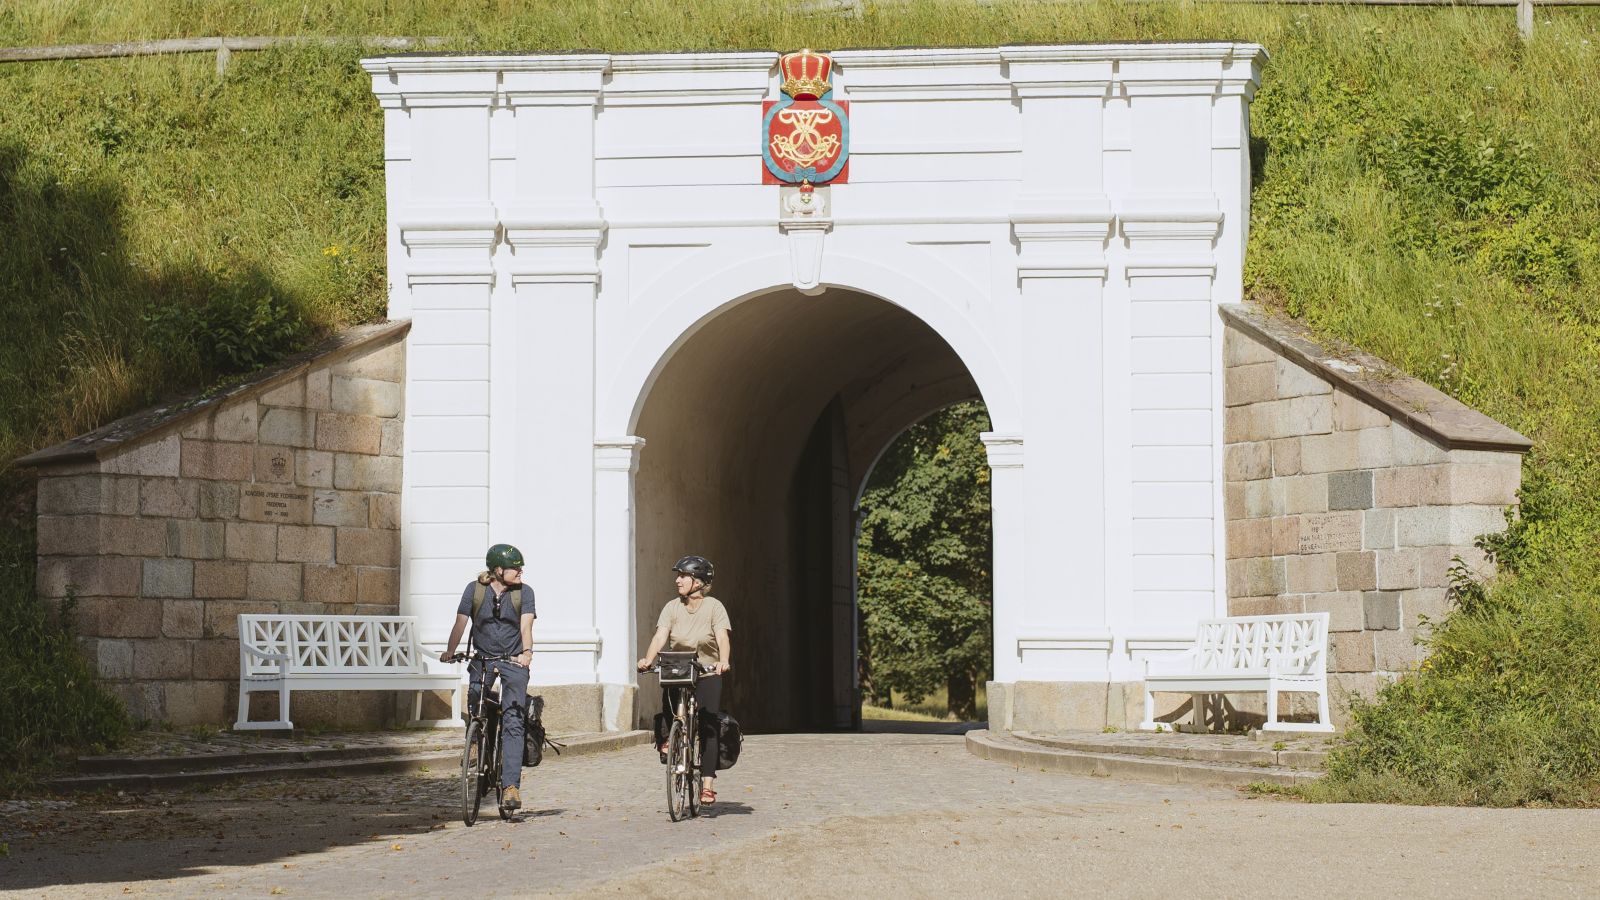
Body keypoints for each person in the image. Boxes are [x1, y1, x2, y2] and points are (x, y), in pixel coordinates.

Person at [442, 543, 535, 811]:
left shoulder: (524, 593)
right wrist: (450, 651)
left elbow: (526, 625)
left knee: (514, 720)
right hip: (483, 658)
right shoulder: (475, 590)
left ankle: (510, 787)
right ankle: (477, 739)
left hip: (513, 660)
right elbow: (460, 622)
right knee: (476, 699)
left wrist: (527, 653)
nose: (520, 571)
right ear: (497, 570)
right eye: (515, 568)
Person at [637, 554, 732, 806]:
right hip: (678, 667)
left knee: (709, 725)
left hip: (707, 670)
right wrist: (647, 659)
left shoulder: (714, 607)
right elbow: (660, 637)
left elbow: (722, 637)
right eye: (677, 576)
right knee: (668, 696)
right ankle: (670, 737)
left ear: (698, 582)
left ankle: (708, 785)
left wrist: (723, 660)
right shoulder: (672, 607)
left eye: (683, 576)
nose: (677, 581)